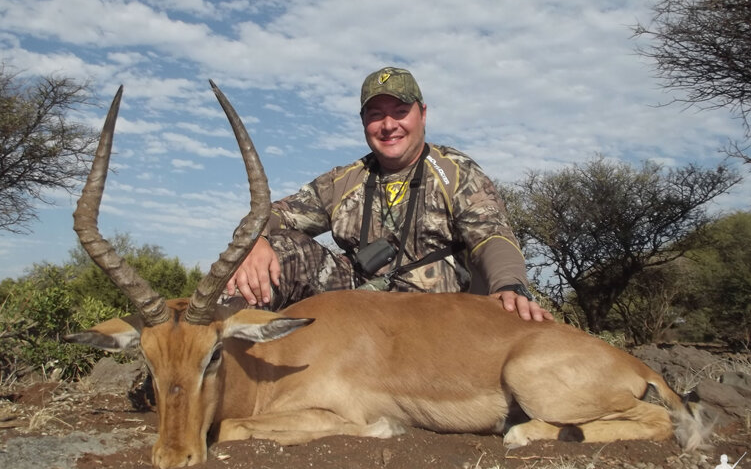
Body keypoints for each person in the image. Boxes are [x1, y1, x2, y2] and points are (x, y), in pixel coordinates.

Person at [224, 67, 553, 321]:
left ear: (422, 114)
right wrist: (257, 241)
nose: (388, 125)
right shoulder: (345, 179)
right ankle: (224, 362)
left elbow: (491, 236)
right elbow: (275, 213)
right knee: (277, 250)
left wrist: (510, 286)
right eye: (376, 114)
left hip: (439, 316)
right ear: (363, 121)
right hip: (360, 309)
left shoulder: (456, 171)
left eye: (399, 111)